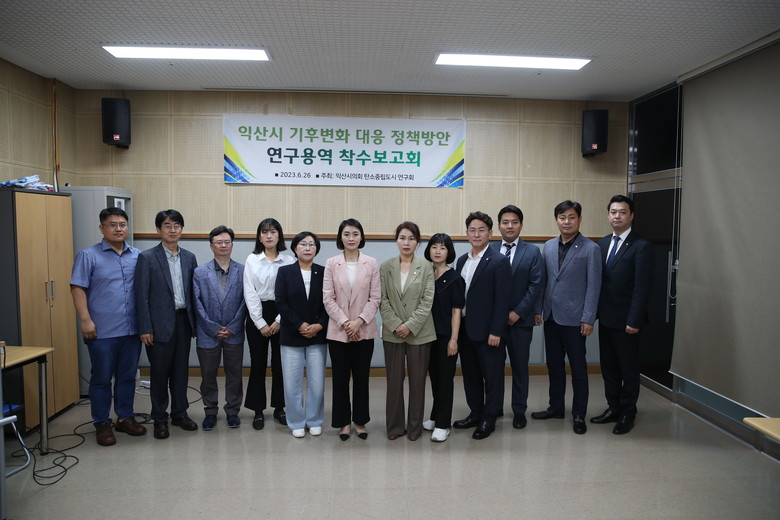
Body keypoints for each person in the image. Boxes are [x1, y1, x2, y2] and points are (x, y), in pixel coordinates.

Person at [70, 207, 147, 446]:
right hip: (101, 330)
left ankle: (125, 417)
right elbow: (77, 287)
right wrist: (85, 319)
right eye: (112, 225)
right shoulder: (88, 255)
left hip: (131, 329)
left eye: (122, 224)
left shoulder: (138, 256)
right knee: (102, 378)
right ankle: (102, 422)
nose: (118, 229)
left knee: (127, 377)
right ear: (102, 228)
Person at [532, 200, 601, 434]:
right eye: (562, 217)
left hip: (575, 319)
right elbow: (544, 281)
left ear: (579, 219)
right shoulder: (549, 246)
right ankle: (556, 407)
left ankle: (579, 414)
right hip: (551, 316)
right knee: (554, 367)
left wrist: (588, 318)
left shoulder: (591, 249)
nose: (567, 222)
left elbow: (594, 286)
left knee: (578, 369)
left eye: (571, 217)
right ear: (556, 220)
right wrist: (538, 309)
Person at [592, 195, 653, 435]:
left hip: (627, 321)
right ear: (608, 215)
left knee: (628, 369)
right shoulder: (602, 244)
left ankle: (628, 413)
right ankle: (613, 408)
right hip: (606, 318)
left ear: (631, 216)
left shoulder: (641, 246)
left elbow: (642, 287)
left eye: (622, 212)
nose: (617, 216)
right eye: (613, 212)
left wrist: (634, 320)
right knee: (609, 368)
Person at [135, 209, 199, 439]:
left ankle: (180, 413)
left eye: (177, 226)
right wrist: (145, 327)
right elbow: (141, 295)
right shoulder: (147, 258)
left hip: (183, 322)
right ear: (158, 229)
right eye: (167, 226)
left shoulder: (189, 257)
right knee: (160, 374)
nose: (173, 230)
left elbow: (193, 294)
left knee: (181, 373)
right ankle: (160, 418)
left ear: (182, 229)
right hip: (158, 324)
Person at [453, 211, 511, 440]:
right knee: (471, 375)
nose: (476, 234)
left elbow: (503, 300)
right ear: (467, 233)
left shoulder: (499, 261)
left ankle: (489, 417)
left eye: (481, 230)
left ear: (490, 233)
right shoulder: (461, 260)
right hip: (465, 329)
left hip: (489, 332)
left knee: (492, 376)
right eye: (472, 230)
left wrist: (496, 331)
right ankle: (475, 412)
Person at [323, 218, 380, 440]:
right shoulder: (331, 263)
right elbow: (328, 298)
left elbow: (375, 297)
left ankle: (360, 421)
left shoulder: (371, 263)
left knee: (361, 378)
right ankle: (343, 422)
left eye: (355, 234)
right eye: (346, 234)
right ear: (340, 237)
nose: (351, 238)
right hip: (339, 331)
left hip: (364, 330)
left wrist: (359, 322)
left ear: (361, 237)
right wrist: (346, 323)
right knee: (340, 379)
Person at [380, 222, 436, 441]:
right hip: (392, 332)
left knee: (417, 383)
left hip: (420, 333)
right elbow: (382, 299)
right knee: (394, 383)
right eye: (402, 238)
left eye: (411, 238)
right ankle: (394, 427)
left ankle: (414, 428)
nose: (406, 242)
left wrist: (410, 325)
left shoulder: (426, 267)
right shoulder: (386, 266)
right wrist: (396, 325)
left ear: (418, 242)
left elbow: (427, 300)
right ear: (396, 240)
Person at [490, 205, 544, 430]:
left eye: (514, 222)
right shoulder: (490, 249)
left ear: (521, 225)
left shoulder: (532, 252)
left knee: (520, 367)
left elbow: (536, 285)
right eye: (505, 222)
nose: (510, 226)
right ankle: (494, 407)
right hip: (494, 322)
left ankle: (519, 410)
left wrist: (517, 312)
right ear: (498, 226)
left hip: (521, 321)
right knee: (494, 368)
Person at [275, 231, 328, 438]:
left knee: (317, 383)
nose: (307, 248)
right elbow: (281, 301)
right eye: (303, 244)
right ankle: (296, 421)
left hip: (317, 335)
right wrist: (299, 324)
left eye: (311, 244)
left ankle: (314, 420)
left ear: (317, 249)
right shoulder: (285, 272)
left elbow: (330, 301)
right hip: (291, 334)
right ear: (295, 248)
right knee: (291, 384)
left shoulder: (324, 272)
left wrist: (319, 325)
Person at [193, 226, 246, 431]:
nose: (223, 245)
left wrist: (233, 326)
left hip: (234, 332)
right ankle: (210, 411)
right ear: (211, 246)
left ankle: (232, 411)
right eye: (218, 242)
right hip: (208, 333)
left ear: (232, 245)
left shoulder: (243, 271)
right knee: (208, 375)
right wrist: (213, 327)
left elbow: (246, 301)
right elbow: (196, 303)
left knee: (235, 374)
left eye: (227, 242)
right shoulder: (200, 272)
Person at [243, 218, 293, 430]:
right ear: (259, 236)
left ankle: (280, 408)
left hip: (283, 314)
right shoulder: (252, 260)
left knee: (281, 364)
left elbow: (291, 294)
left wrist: (280, 320)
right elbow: (249, 292)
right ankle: (257, 410)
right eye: (264, 232)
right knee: (258, 364)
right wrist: (261, 323)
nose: (269, 235)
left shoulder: (289, 260)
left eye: (273, 231)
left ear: (279, 235)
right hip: (257, 313)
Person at [422, 233, 465, 442]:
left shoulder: (455, 278)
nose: (438, 251)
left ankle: (443, 424)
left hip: (446, 336)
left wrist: (454, 340)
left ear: (449, 252)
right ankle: (435, 416)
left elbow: (457, 312)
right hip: (426, 336)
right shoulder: (425, 273)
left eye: (442, 248)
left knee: (445, 381)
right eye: (434, 247)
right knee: (435, 379)